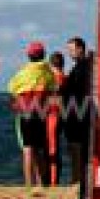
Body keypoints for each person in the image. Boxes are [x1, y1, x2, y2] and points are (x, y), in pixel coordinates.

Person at [7, 41, 55, 188]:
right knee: (40, 149)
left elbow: (11, 89)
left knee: (28, 149)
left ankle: (29, 184)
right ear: (43, 55)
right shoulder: (47, 72)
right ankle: (41, 183)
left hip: (26, 113)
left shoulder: (22, 72)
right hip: (40, 114)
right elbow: (53, 89)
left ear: (29, 55)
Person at [60, 36, 94, 199]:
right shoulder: (81, 66)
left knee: (79, 154)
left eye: (72, 49)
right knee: (79, 154)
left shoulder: (83, 67)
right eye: (69, 50)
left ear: (81, 48)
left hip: (79, 117)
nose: (70, 53)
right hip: (77, 115)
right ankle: (80, 188)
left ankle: (80, 187)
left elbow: (73, 91)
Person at [46, 51, 67, 186]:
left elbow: (54, 97)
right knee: (55, 148)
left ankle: (53, 181)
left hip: (53, 115)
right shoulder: (64, 77)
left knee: (52, 148)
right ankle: (53, 180)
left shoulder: (55, 78)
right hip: (59, 114)